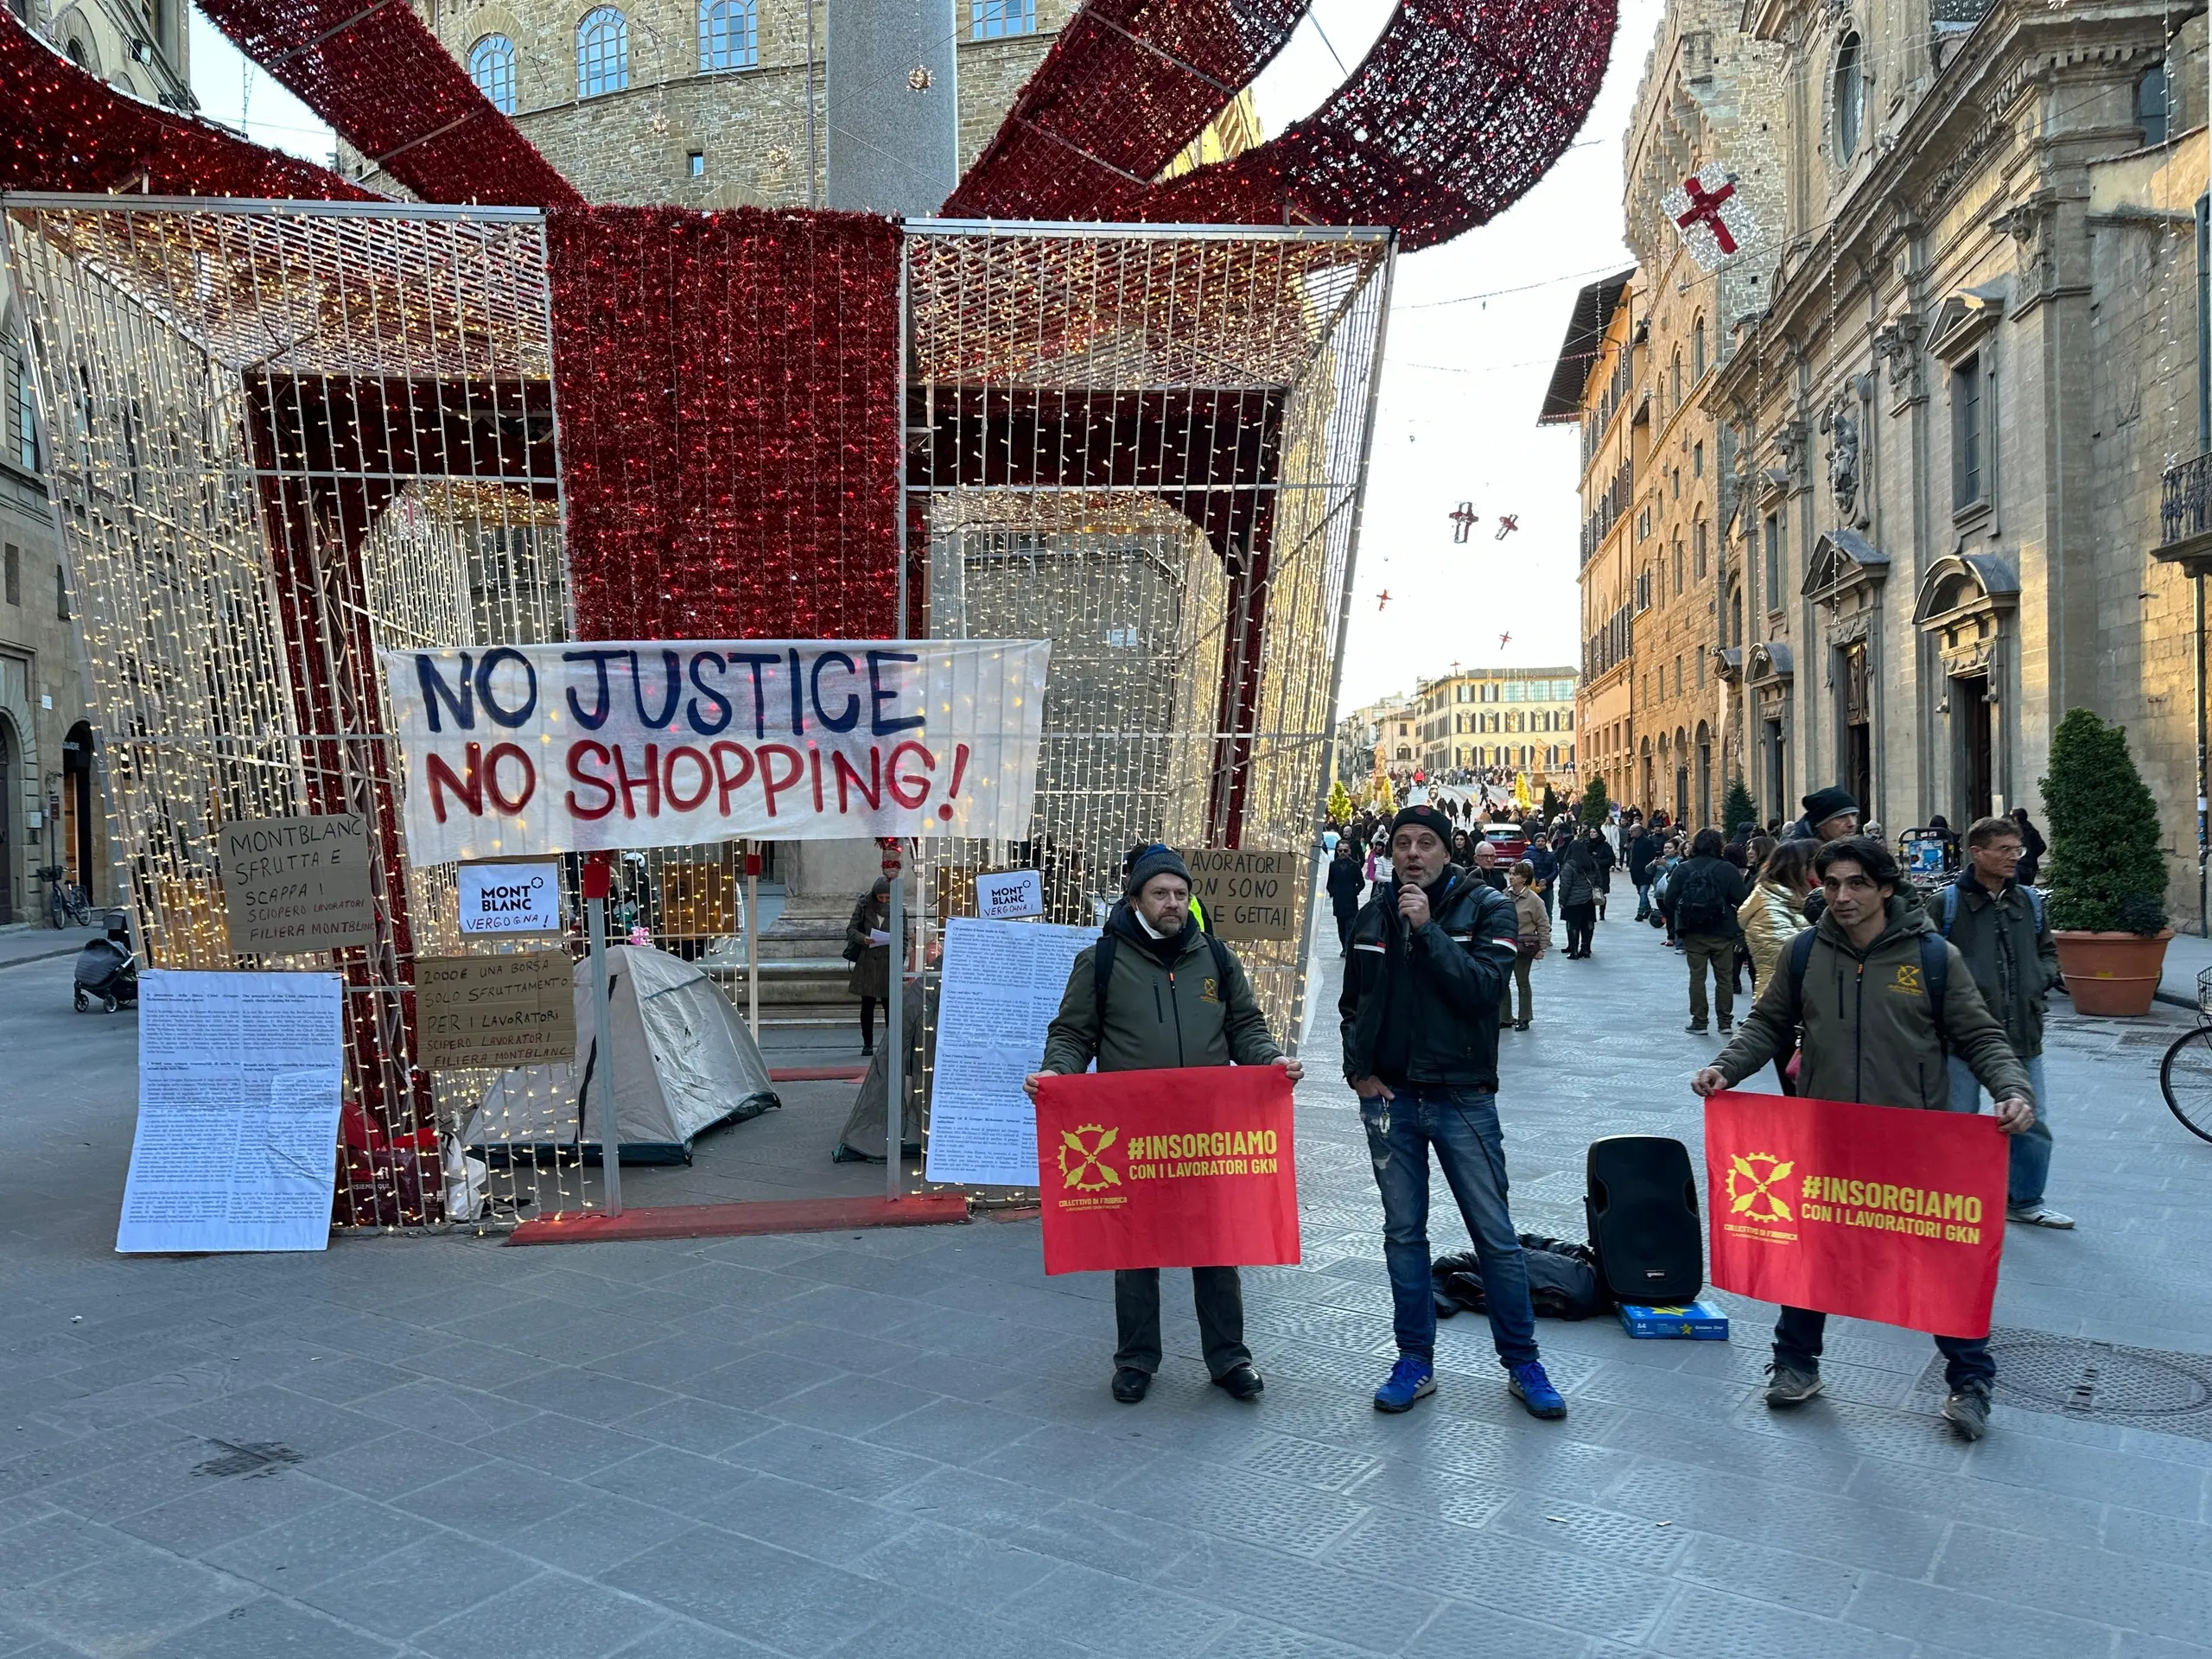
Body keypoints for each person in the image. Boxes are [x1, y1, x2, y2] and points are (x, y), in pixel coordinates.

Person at [1692, 837, 2036, 1441]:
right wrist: (1726, 1068)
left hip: (1911, 1139)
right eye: (1830, 885)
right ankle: (1796, 1364)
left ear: (1884, 888)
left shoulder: (1933, 958)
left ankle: (1970, 1381)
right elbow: (1769, 1023)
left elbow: (1980, 1034)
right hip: (1827, 1136)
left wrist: (2012, 1089)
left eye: (1855, 884)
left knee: (1940, 1265)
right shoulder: (1805, 953)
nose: (1842, 897)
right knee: (1811, 1255)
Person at [1027, 847, 1301, 1404]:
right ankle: (1136, 1360)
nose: (1173, 903)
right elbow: (1074, 1033)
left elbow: (1245, 1027)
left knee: (1217, 1242)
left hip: (1205, 1131)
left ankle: (1229, 1359)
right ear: (1136, 900)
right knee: (1134, 1247)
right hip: (1131, 1130)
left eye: (1181, 893)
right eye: (1161, 893)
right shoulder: (1101, 960)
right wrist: (1058, 1073)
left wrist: (1269, 1063)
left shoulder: (1217, 959)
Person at [1339, 804, 1567, 1421]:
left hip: (1462, 1096)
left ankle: (1523, 1362)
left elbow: (1482, 991)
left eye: (1426, 844)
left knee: (1494, 1237)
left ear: (1448, 851)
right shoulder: (1372, 916)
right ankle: (1414, 1360)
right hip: (1392, 1101)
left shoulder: (1486, 908)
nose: (1412, 854)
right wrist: (1357, 1070)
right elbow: (1353, 1002)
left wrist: (1429, 932)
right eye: (1402, 845)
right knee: (1403, 1234)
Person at [1941, 817, 2072, 1229]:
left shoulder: (2029, 902)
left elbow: (2047, 948)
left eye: (2018, 849)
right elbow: (1925, 958)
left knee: (2031, 1120)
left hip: (2022, 1032)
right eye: (2005, 850)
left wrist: (2041, 976)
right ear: (1976, 852)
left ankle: (2025, 1199)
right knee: (1959, 1121)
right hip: (1962, 1037)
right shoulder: (1945, 904)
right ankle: (1956, 1201)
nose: (2015, 857)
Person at [1738, 838, 1818, 1093]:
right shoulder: (1767, 905)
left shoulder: (1800, 900)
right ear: (1800, 869)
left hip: (1807, 1011)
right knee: (1802, 1097)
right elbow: (1794, 959)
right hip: (1787, 1013)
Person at [1665, 828, 1747, 1033]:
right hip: (1724, 931)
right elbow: (1742, 900)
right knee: (1725, 978)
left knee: (1697, 977)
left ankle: (1700, 1021)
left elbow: (1669, 900)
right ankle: (1725, 1022)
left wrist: (1686, 913)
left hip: (1693, 931)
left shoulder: (1683, 869)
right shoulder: (1728, 869)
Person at [844, 878, 895, 1055]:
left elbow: (902, 939)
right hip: (867, 962)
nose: (884, 901)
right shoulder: (864, 907)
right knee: (867, 1005)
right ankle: (867, 1044)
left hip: (888, 963)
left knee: (890, 1007)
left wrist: (899, 960)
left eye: (888, 898)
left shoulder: (898, 910)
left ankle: (889, 1044)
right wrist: (863, 939)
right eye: (880, 898)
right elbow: (851, 930)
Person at [1503, 860, 1545, 1031]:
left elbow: (1543, 923)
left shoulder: (1533, 900)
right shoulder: (1505, 894)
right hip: (1505, 944)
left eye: (1515, 874)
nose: (1511, 877)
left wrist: (1542, 947)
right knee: (1503, 981)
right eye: (1510, 873)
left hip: (1523, 946)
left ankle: (1524, 1017)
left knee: (1522, 981)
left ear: (1525, 878)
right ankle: (1504, 1017)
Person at [1556, 834, 1598, 959]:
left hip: (1573, 901)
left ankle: (1574, 951)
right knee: (1588, 923)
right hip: (1589, 899)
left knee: (1573, 924)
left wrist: (1562, 900)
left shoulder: (1569, 865)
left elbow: (1565, 885)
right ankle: (1586, 949)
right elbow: (1598, 880)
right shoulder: (1591, 863)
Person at [1327, 836, 1366, 951]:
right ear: (1337, 851)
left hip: (1351, 901)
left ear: (1349, 851)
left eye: (1345, 850)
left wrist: (1355, 891)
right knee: (1341, 927)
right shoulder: (1333, 865)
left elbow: (1361, 883)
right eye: (1340, 850)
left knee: (1350, 926)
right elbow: (1329, 882)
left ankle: (1348, 948)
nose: (1343, 853)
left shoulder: (1355, 865)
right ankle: (1344, 947)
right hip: (1338, 901)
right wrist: (1333, 891)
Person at [1787, 785, 1860, 842]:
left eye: (1854, 815)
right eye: (1841, 817)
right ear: (1821, 824)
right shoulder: (1795, 855)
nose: (1852, 823)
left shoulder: (1862, 848)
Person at [1628, 817, 1665, 920]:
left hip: (1645, 872)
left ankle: (1640, 912)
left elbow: (1650, 857)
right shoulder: (1634, 841)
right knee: (1640, 892)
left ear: (1638, 831)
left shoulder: (1647, 842)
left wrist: (1650, 870)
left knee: (1643, 892)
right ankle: (1648, 909)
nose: (1630, 833)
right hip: (1635, 872)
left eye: (1632, 831)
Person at [2012, 806, 2047, 887]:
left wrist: (2029, 854)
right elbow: (2042, 846)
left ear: (2016, 818)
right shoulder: (2032, 830)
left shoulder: (2018, 832)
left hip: (2021, 864)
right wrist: (2033, 855)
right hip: (2031, 865)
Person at [1587, 824, 1615, 920]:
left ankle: (1602, 913)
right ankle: (1592, 914)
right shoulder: (1586, 844)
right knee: (1589, 895)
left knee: (1601, 894)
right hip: (1589, 874)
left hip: (1602, 873)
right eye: (1591, 832)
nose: (1592, 834)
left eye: (1594, 832)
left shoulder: (1605, 845)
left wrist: (1598, 863)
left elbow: (1611, 858)